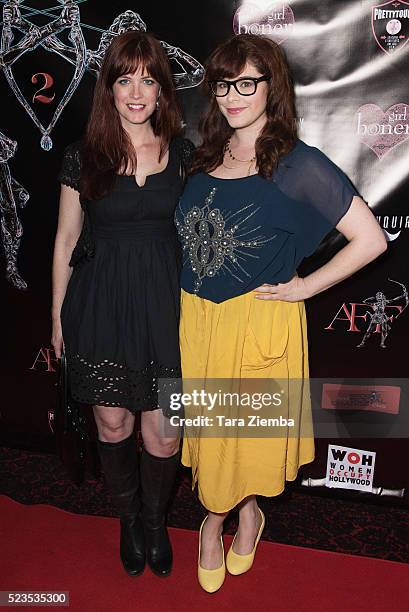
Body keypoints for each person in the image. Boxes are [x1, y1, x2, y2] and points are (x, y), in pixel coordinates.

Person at [174, 33, 387, 593]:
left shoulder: (297, 164)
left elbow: (370, 240)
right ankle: (245, 515)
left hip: (258, 322)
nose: (233, 95)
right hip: (198, 321)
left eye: (247, 83)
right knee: (215, 435)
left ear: (273, 87)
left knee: (243, 438)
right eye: (224, 84)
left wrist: (304, 288)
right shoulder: (204, 156)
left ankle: (215, 522)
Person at [51, 30, 194, 578]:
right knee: (113, 426)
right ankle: (127, 518)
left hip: (165, 309)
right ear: (108, 88)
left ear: (163, 91)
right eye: (124, 78)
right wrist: (58, 318)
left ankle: (156, 522)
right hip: (101, 305)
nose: (137, 91)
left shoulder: (186, 156)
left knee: (165, 431)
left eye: (149, 79)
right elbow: (65, 241)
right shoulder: (81, 156)